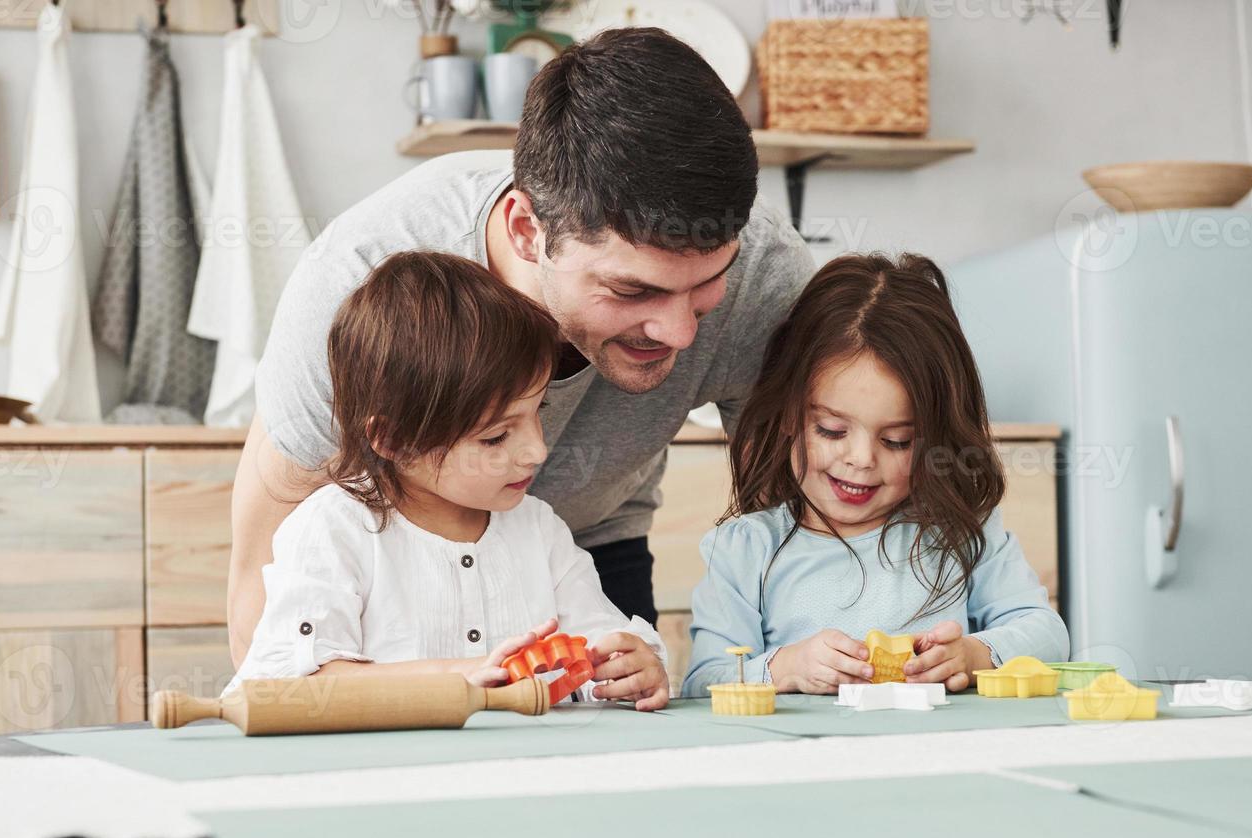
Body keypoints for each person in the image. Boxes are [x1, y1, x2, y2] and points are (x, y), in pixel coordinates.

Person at [228, 27, 816, 666]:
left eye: (707, 286)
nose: (680, 334)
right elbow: (266, 585)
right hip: (391, 566)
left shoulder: (766, 277)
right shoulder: (356, 284)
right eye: (631, 290)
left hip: (588, 549)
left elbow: (804, 525)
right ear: (528, 231)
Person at [227, 251, 669, 710]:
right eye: (496, 436)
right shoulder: (332, 530)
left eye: (537, 412)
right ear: (394, 440)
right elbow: (295, 687)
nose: (537, 450)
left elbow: (601, 645)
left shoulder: (538, 529)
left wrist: (632, 665)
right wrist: (462, 675)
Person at [683, 253, 1069, 697]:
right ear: (789, 415)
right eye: (832, 430)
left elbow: (1049, 636)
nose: (862, 459)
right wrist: (785, 667)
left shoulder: (961, 532)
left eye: (898, 441)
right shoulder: (745, 550)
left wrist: (975, 654)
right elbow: (702, 683)